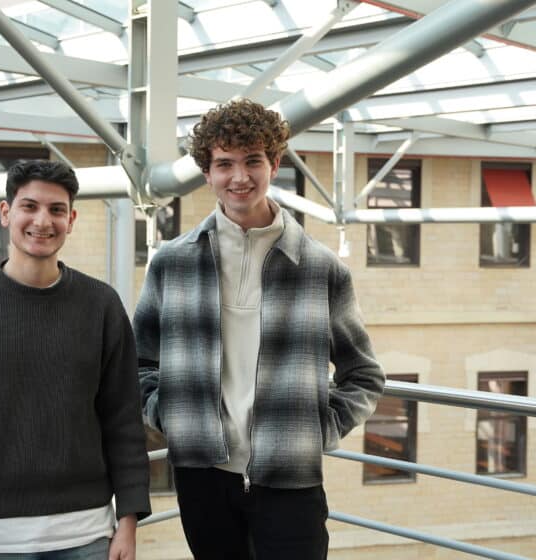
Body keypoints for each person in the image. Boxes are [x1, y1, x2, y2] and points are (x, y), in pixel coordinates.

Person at [133, 99, 385, 560]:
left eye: (252, 161)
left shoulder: (320, 268)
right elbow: (139, 363)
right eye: (224, 164)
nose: (239, 177)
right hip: (201, 476)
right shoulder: (172, 263)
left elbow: (363, 374)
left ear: (275, 163)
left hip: (291, 480)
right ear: (207, 173)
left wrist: (318, 430)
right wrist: (170, 416)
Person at [0, 160, 150, 560]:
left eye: (57, 210)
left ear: (71, 220)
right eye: (30, 206)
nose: (43, 221)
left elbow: (123, 419)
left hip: (89, 535)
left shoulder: (102, 305)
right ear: (6, 213)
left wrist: (128, 521)